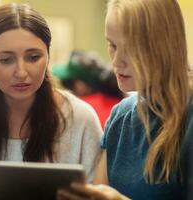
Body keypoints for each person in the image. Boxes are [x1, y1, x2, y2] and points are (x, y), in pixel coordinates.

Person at [0, 3, 103, 197]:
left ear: (48, 56)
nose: (21, 72)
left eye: (33, 57)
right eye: (6, 60)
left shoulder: (80, 118)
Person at [57, 0, 193, 200]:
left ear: (163, 46)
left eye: (131, 48)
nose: (116, 60)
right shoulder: (121, 117)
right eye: (112, 45)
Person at [53, 50, 124, 128]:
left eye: (68, 83)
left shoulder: (80, 109)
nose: (67, 89)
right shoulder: (120, 102)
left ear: (83, 85)